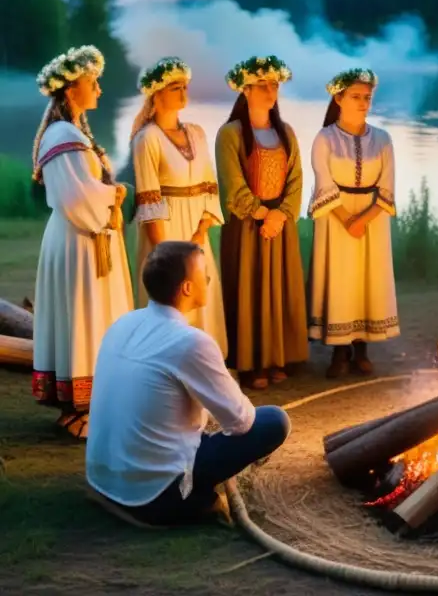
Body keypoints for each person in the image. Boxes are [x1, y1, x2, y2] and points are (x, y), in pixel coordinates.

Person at [85, 240, 290, 527]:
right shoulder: (191, 342)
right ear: (187, 288)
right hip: (153, 494)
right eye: (204, 274)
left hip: (102, 477)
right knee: (273, 421)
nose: (208, 279)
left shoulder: (123, 323)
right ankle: (189, 503)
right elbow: (241, 422)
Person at [30, 45, 134, 439]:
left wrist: (109, 195)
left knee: (88, 319)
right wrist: (115, 196)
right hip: (80, 241)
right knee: (83, 319)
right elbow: (76, 196)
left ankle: (83, 407)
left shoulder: (72, 131)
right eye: (94, 83)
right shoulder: (64, 134)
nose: (100, 90)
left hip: (84, 239)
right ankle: (80, 409)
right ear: (72, 89)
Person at [215, 55, 308, 389]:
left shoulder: (286, 132)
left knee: (279, 288)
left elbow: (296, 178)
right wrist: (260, 214)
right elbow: (232, 183)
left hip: (279, 224)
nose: (270, 91)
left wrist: (281, 214)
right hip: (247, 226)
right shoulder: (231, 133)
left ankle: (278, 357)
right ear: (245, 90)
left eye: (274, 85)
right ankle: (250, 361)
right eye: (263, 85)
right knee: (250, 288)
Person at [130, 56, 227, 356]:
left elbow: (211, 186)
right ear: (156, 94)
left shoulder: (197, 132)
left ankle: (205, 362)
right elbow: (149, 198)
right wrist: (166, 253)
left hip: (196, 230)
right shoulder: (147, 139)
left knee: (200, 292)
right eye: (175, 88)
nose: (184, 93)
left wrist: (201, 232)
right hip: (165, 232)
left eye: (185, 86)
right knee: (172, 295)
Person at [307, 68, 399, 377]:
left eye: (367, 98)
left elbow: (387, 186)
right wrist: (347, 219)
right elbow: (323, 181)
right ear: (339, 98)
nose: (363, 103)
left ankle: (362, 348)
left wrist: (367, 218)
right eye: (356, 97)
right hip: (337, 217)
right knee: (341, 279)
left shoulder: (383, 139)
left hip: (372, 217)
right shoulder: (325, 138)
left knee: (367, 279)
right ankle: (339, 350)